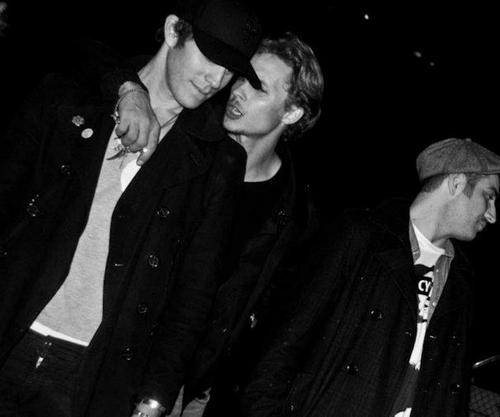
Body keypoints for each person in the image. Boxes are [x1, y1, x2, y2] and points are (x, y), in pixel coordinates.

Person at [0, 1, 262, 417]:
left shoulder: (217, 162)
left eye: (230, 71)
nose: (216, 80)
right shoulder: (75, 97)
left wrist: (155, 398)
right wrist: (125, 88)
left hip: (89, 374)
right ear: (174, 31)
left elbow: (193, 295)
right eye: (211, 58)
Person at [241, 138, 500, 417]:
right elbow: (282, 347)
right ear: (457, 183)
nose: (492, 215)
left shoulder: (461, 280)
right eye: (489, 196)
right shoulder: (360, 237)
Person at [178, 33, 324, 416]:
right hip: (134, 357)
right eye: (241, 76)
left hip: (197, 389)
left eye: (257, 86)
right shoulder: (189, 146)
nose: (238, 90)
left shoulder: (295, 214)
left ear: (291, 113)